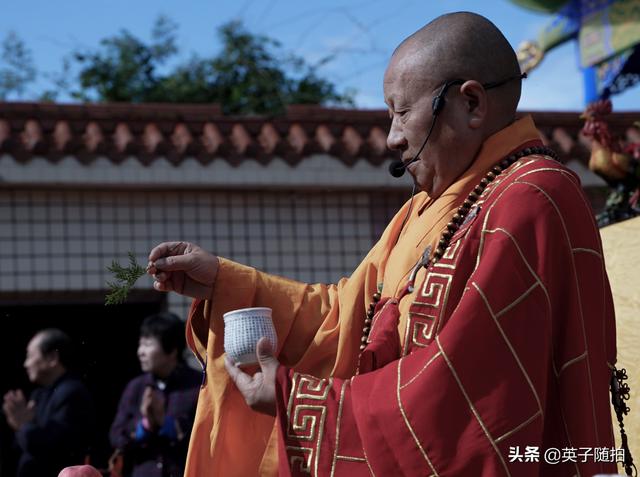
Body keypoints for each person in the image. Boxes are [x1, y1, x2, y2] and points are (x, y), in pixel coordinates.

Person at [147, 12, 619, 476]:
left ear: (471, 104)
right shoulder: (420, 212)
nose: (392, 138)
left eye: (402, 112)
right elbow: (347, 315)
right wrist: (226, 283)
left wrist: (298, 398)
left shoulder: (531, 197)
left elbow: (468, 397)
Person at [109, 312, 201, 477]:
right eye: (140, 344)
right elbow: (116, 436)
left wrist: (167, 423)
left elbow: (208, 437)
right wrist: (145, 425)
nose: (140, 352)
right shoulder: (136, 387)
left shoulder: (198, 385)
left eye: (148, 344)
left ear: (172, 350)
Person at [2, 329, 95, 477]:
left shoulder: (71, 393)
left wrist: (23, 426)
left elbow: (55, 449)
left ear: (52, 358)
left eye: (30, 356)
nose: (26, 364)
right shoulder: (39, 394)